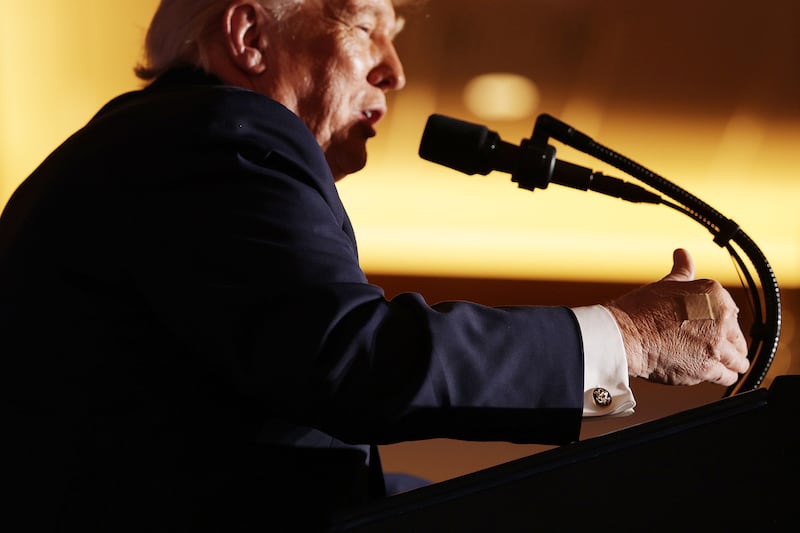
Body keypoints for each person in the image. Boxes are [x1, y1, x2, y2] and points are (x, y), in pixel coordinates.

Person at [1, 0, 749, 531]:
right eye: (366, 24)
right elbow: (350, 358)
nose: (393, 68)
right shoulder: (221, 135)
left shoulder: (151, 149)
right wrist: (630, 338)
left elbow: (222, 449)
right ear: (249, 35)